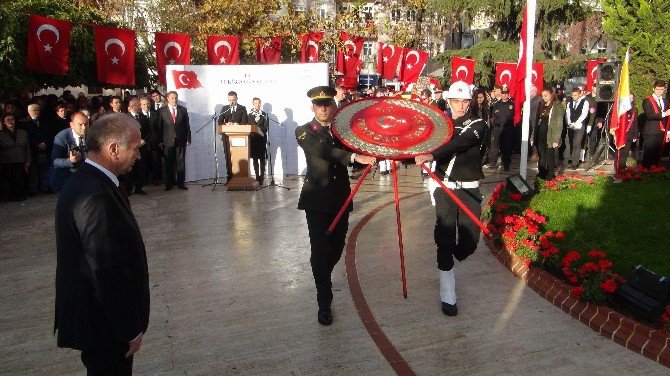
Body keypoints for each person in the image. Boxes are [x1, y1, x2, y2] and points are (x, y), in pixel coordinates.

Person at [54, 113, 149, 375]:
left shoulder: (93, 182)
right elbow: (107, 269)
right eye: (136, 149)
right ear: (114, 149)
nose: (138, 157)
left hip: (103, 322)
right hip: (105, 326)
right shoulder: (94, 195)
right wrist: (129, 328)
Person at [295, 86, 375, 325]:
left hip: (341, 199)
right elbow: (322, 151)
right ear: (313, 107)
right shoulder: (304, 131)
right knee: (319, 250)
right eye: (319, 105)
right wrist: (352, 158)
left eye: (327, 104)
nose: (323, 108)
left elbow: (359, 153)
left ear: (333, 106)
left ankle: (322, 275)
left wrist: (372, 156)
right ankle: (324, 300)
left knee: (337, 246)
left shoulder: (344, 132)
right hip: (317, 200)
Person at [414, 81, 487, 317]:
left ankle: (452, 256)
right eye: (457, 101)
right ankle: (448, 296)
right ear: (449, 101)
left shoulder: (478, 123)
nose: (461, 105)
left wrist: (432, 153)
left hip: (469, 188)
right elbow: (418, 144)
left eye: (465, 101)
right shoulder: (439, 126)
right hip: (443, 187)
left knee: (471, 240)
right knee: (444, 238)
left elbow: (462, 141)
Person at [157, 91, 191, 191]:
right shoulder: (162, 111)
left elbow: (187, 126)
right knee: (168, 163)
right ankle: (169, 184)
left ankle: (181, 184)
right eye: (172, 98)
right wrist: (160, 140)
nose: (174, 100)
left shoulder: (183, 110)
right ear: (168, 98)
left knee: (181, 163)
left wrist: (188, 139)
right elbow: (159, 127)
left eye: (176, 98)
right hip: (168, 141)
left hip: (180, 140)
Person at [531, 88, 565, 181]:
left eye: (546, 95)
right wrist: (533, 136)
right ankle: (542, 173)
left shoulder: (557, 106)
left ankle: (550, 176)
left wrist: (556, 139)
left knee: (550, 157)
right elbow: (537, 121)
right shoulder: (541, 104)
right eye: (542, 96)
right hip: (540, 134)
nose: (544, 97)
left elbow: (558, 124)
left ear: (551, 95)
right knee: (541, 156)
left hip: (550, 135)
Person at [49, 112, 88, 192]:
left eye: (86, 124)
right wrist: (70, 161)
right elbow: (55, 161)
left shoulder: (91, 135)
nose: (84, 127)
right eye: (80, 124)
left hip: (86, 177)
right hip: (67, 177)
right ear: (72, 124)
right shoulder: (62, 137)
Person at [20, 103, 52, 194]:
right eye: (35, 110)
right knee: (33, 170)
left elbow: (48, 133)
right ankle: (33, 189)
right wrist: (36, 144)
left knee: (44, 169)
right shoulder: (25, 123)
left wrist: (44, 143)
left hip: (44, 148)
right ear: (29, 111)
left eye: (38, 110)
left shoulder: (44, 121)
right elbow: (27, 137)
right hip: (32, 150)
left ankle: (44, 187)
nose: (37, 112)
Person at [218, 91, 248, 182]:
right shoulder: (225, 108)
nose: (232, 102)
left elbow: (245, 122)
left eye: (233, 100)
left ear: (237, 99)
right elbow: (220, 121)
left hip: (239, 137)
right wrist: (226, 124)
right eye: (230, 100)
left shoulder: (242, 108)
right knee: (228, 157)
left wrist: (236, 124)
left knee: (238, 156)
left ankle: (240, 177)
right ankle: (229, 177)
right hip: (227, 137)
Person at [0, 114, 31, 201]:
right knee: (8, 179)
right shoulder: (1, 134)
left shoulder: (23, 133)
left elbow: (27, 147)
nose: (10, 121)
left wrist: (28, 160)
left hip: (20, 159)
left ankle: (20, 195)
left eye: (12, 119)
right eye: (8, 119)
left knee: (20, 178)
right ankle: (9, 196)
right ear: (4, 122)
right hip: (6, 161)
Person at [641, 80, 670, 168]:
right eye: (657, 89)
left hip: (661, 131)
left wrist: (668, 132)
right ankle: (645, 172)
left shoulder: (665, 101)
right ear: (653, 89)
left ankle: (655, 172)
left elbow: (667, 119)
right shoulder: (647, 101)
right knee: (649, 154)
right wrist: (665, 113)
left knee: (658, 154)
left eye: (662, 89)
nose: (659, 91)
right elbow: (649, 116)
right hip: (650, 132)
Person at [125, 98, 150, 195]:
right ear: (132, 107)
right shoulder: (125, 118)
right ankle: (128, 188)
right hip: (130, 148)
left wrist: (144, 140)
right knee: (129, 169)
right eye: (138, 105)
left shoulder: (143, 117)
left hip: (141, 148)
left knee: (141, 168)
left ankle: (139, 188)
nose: (140, 107)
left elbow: (148, 131)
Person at [488, 84, 515, 171]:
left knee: (506, 147)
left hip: (507, 128)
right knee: (495, 146)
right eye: (503, 93)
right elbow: (491, 117)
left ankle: (506, 164)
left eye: (506, 93)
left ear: (508, 94)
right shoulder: (496, 104)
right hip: (497, 128)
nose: (504, 95)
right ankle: (492, 163)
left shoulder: (512, 104)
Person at [563, 87, 589, 169]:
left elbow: (584, 114)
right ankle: (572, 159)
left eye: (575, 95)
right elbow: (568, 113)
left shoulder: (585, 102)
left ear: (580, 94)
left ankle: (575, 163)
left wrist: (575, 123)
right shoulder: (569, 103)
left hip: (579, 125)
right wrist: (570, 122)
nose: (573, 97)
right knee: (571, 143)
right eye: (572, 95)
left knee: (576, 144)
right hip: (571, 125)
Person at [140, 96, 162, 185]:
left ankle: (156, 179)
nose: (146, 106)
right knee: (144, 161)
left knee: (156, 160)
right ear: (140, 105)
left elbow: (160, 127)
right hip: (143, 142)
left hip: (154, 141)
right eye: (144, 104)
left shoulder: (156, 113)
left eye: (148, 103)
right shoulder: (138, 115)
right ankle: (144, 180)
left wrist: (160, 140)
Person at [248, 97, 269, 184]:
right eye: (256, 103)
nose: (258, 105)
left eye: (259, 103)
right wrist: (254, 132)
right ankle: (257, 176)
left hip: (261, 139)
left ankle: (262, 176)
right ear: (253, 104)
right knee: (255, 158)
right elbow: (248, 126)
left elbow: (265, 127)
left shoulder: (264, 114)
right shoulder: (249, 115)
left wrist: (260, 131)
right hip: (253, 139)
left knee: (262, 158)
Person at [617, 95, 639, 171]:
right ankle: (619, 167)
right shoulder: (620, 109)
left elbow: (635, 123)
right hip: (620, 134)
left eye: (632, 98)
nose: (630, 99)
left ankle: (622, 168)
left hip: (629, 134)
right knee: (620, 152)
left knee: (626, 152)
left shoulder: (634, 110)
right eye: (628, 97)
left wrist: (635, 135)